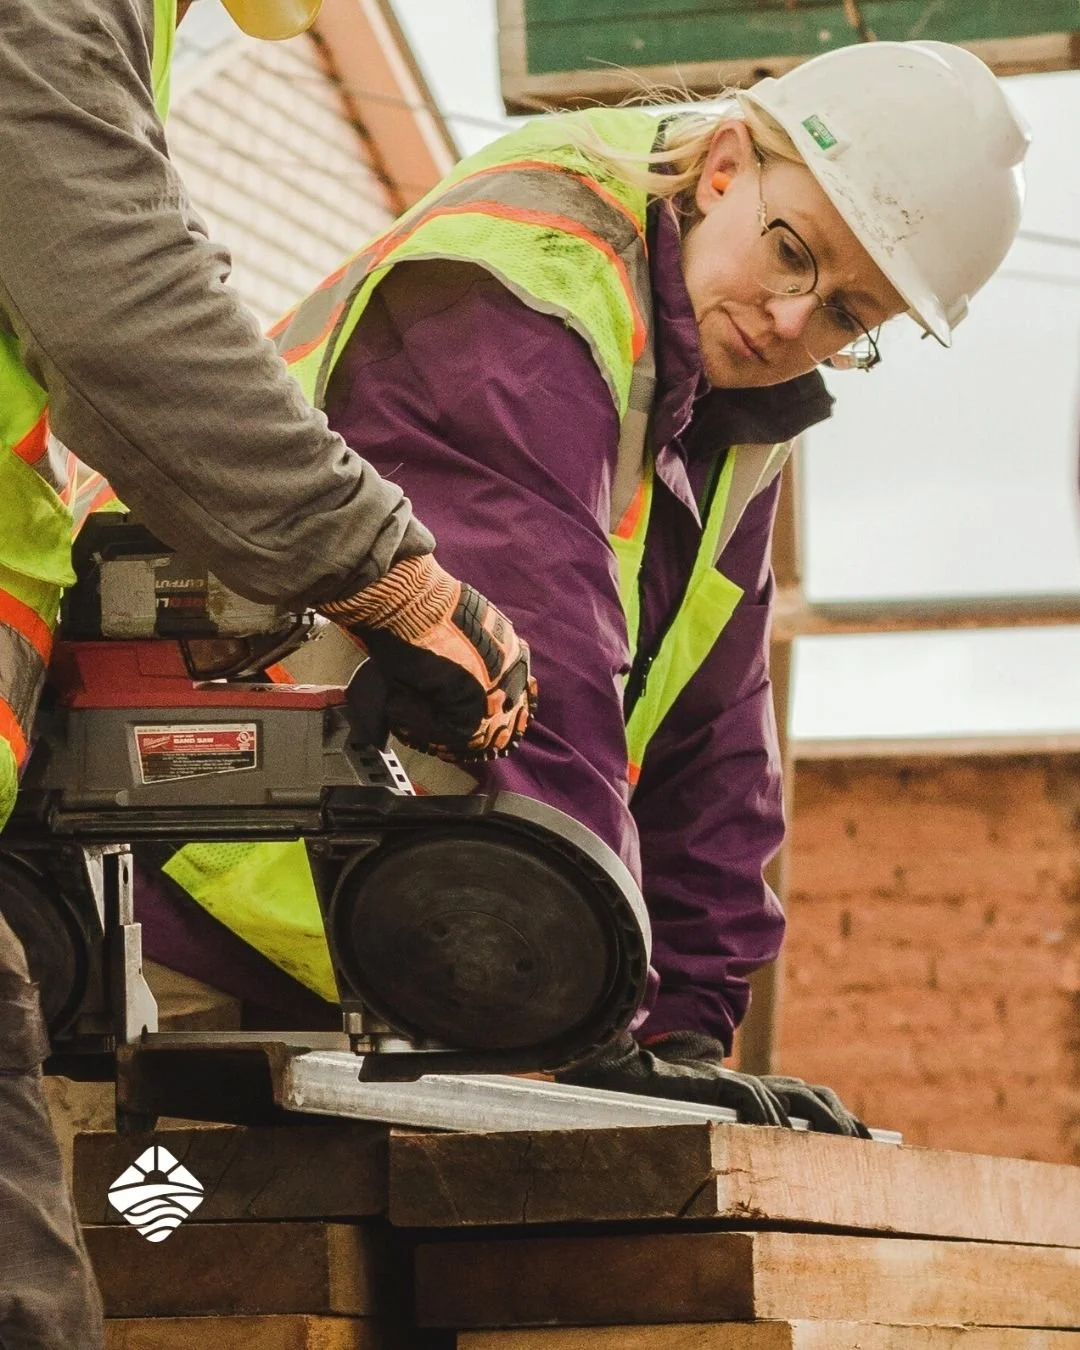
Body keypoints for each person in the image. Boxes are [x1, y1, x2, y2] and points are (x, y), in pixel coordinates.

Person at [135, 39, 1029, 1131]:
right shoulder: (530, 276)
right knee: (157, 1235)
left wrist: (686, 1023)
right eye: (795, 253)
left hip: (397, 955)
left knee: (322, 1284)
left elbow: (714, 736)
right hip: (194, 904)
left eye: (849, 317)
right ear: (724, 168)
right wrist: (592, 1013)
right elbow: (535, 668)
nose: (797, 319)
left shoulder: (731, 413)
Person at [0, 1, 535, 1344]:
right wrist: (388, 571)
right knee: (128, 1223)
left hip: (214, 940)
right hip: (213, 962)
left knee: (136, 1212)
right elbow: (117, 298)